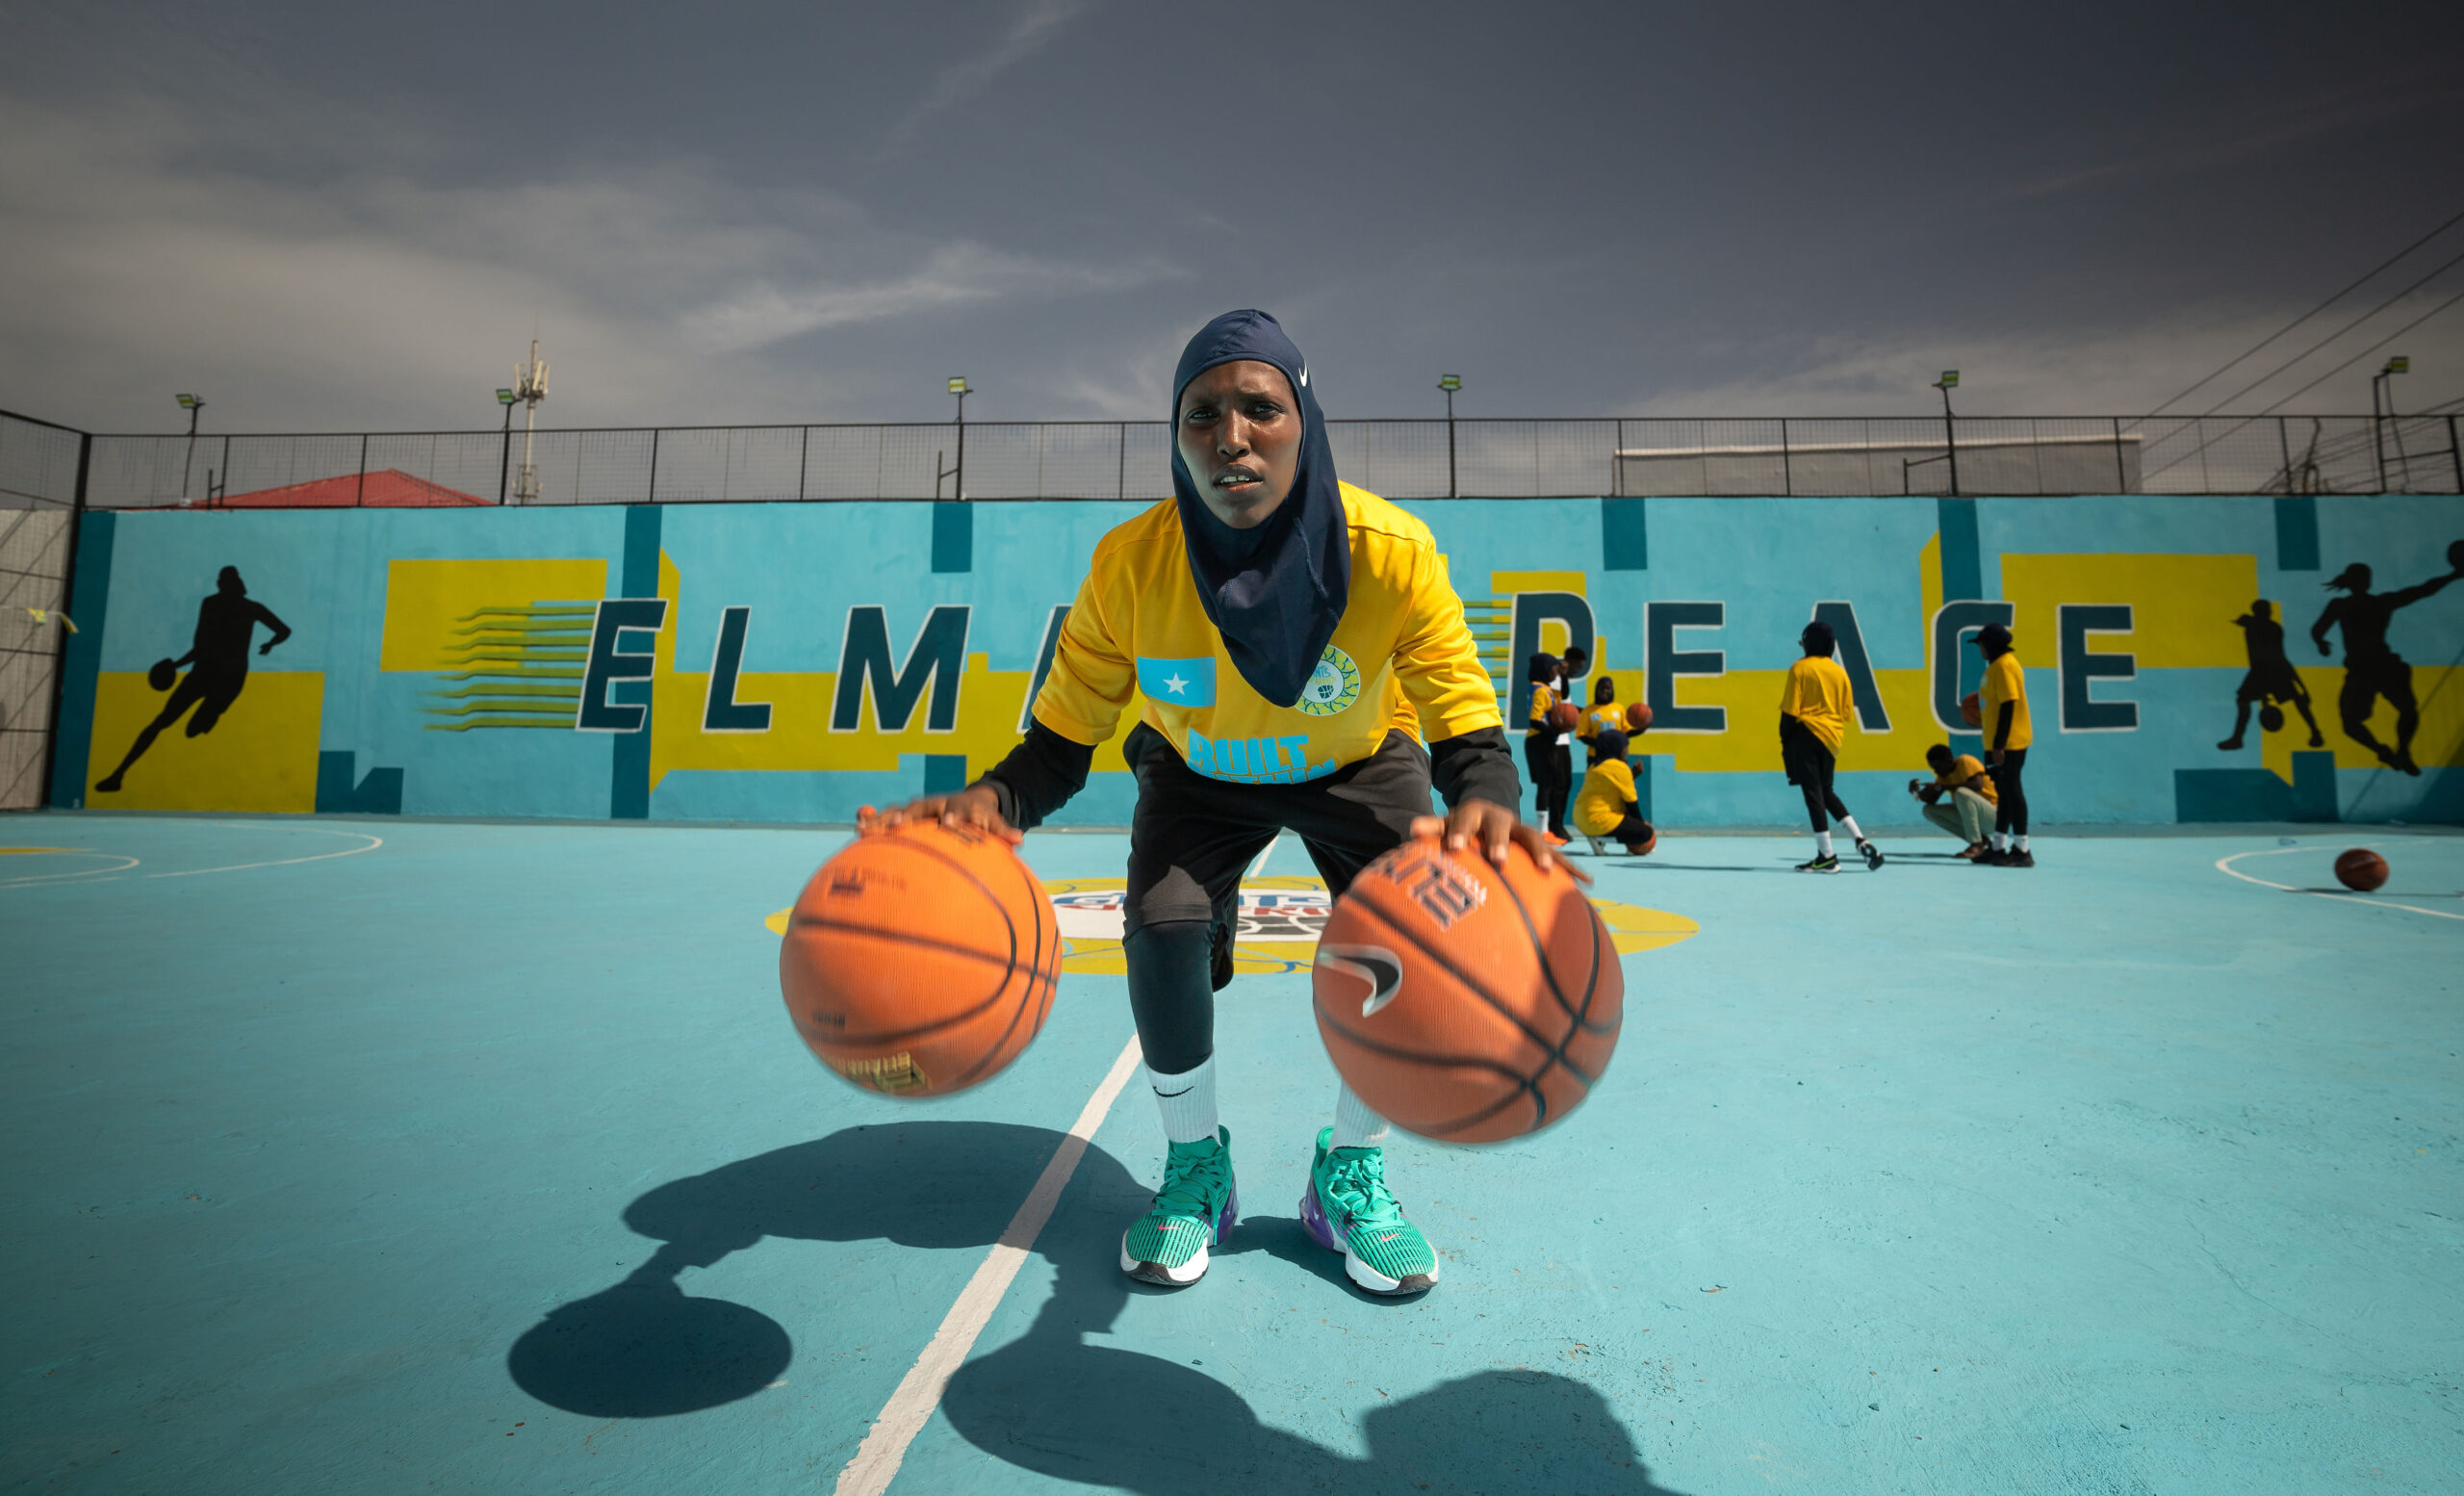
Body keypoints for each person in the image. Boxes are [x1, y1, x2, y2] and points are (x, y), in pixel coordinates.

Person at [868, 310, 1569, 1299]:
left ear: (1305, 422)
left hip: (1356, 764)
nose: (1230, 436)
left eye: (1260, 409)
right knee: (1161, 928)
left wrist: (1488, 793)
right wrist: (993, 802)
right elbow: (1062, 741)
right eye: (1201, 415)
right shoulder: (1131, 566)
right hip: (1198, 772)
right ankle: (1198, 1168)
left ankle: (1348, 1173)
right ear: (1175, 436)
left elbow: (1460, 707)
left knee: (1421, 930)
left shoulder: (1389, 550)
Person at [95, 565, 290, 793]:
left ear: (225, 585)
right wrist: (270, 645)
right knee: (164, 722)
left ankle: (208, 715)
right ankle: (118, 775)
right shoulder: (233, 606)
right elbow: (283, 631)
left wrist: (176, 665)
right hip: (215, 676)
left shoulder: (226, 606)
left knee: (183, 727)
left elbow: (201, 647)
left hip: (223, 679)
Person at [2310, 560, 2459, 776]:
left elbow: (2422, 591)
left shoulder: (2365, 604)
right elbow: (2422, 590)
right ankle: (2391, 753)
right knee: (2359, 721)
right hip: (2370, 668)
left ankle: (2399, 753)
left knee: (2400, 711)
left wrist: (2320, 642)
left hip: (2377, 666)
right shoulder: (2358, 604)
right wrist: (2320, 642)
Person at [1780, 618, 1882, 873]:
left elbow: (1790, 711)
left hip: (1806, 734)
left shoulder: (1800, 669)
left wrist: (1785, 740)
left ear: (1808, 643)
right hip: (1832, 738)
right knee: (1826, 792)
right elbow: (1846, 711)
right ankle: (1860, 839)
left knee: (1812, 794)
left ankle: (1826, 856)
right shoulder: (1839, 672)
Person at [2219, 600, 2324, 750]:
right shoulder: (2264, 627)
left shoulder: (2261, 627)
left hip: (2271, 670)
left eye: (2268, 609)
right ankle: (2315, 732)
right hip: (2268, 671)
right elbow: (2276, 655)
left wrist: (2300, 685)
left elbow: (2278, 655)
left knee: (2296, 700)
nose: (2269, 612)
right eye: (2267, 609)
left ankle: (2315, 732)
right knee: (2295, 700)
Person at [1973, 622, 2033, 866]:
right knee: (2004, 794)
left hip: (2009, 742)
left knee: (2013, 791)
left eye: (1982, 644)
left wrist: (2000, 745)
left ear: (1991, 645)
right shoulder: (1995, 667)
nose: (1980, 649)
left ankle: (2022, 849)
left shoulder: (2006, 665)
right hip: (1995, 742)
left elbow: (2009, 704)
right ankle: (1998, 847)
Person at [1572, 727, 1655, 855]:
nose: (1627, 751)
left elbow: (1612, 786)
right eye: (1624, 747)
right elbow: (1632, 805)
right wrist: (1642, 830)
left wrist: (1632, 775)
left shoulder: (1594, 766)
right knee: (1645, 833)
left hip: (1581, 818)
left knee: (1625, 816)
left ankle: (1598, 837)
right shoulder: (1620, 767)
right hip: (1598, 820)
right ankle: (1600, 838)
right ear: (1615, 748)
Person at [1910, 743, 1997, 859]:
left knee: (1961, 792)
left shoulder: (1965, 761)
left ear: (1948, 760)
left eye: (1937, 767)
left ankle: (1976, 845)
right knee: (1928, 810)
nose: (1936, 771)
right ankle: (1982, 839)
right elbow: (1931, 801)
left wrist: (1942, 787)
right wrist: (1917, 793)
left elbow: (1977, 785)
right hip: (1978, 818)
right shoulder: (1944, 776)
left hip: (1994, 816)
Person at [1523, 652, 1571, 840]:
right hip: (1539, 740)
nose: (1556, 672)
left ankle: (1545, 830)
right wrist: (1554, 732)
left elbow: (1564, 695)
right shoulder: (1541, 691)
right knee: (1545, 785)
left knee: (1548, 784)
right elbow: (1535, 720)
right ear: (1544, 669)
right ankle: (1542, 832)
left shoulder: (1542, 688)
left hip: (1541, 740)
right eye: (1554, 668)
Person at [1578, 675, 1623, 761]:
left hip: (1616, 755)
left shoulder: (1619, 708)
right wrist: (1599, 743)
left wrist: (1641, 729)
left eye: (1608, 688)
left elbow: (1625, 732)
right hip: (1595, 756)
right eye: (1602, 688)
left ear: (1612, 690)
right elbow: (1581, 735)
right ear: (1596, 690)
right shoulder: (1588, 710)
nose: (1604, 691)